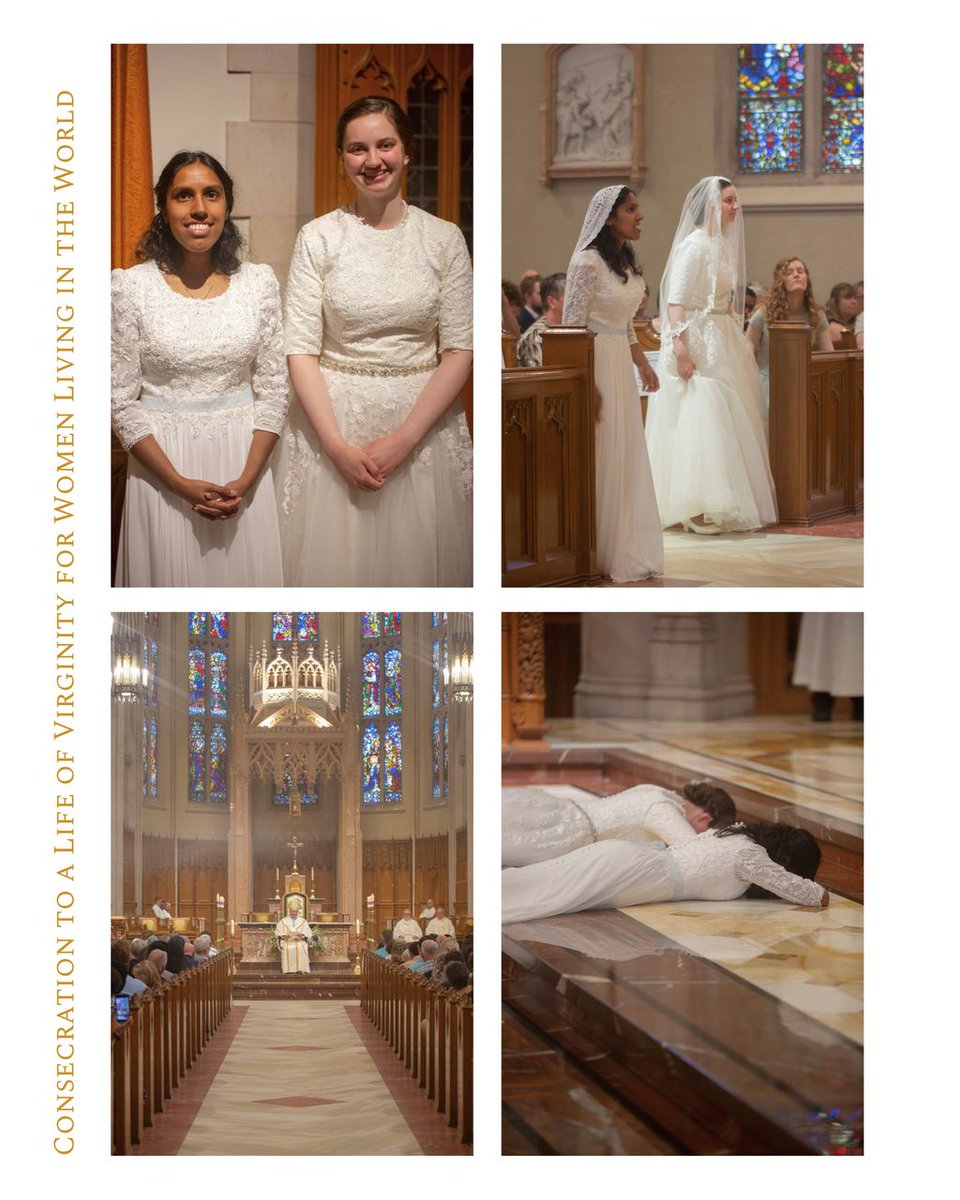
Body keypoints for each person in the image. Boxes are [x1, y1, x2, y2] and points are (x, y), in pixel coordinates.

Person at [277, 96, 473, 586]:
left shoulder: (444, 239)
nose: (372, 160)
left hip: (422, 424)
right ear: (341, 159)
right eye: (357, 149)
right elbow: (300, 349)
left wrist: (406, 439)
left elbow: (459, 349)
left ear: (407, 151)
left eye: (385, 145)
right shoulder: (318, 238)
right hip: (333, 422)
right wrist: (336, 446)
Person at [112, 150, 288, 586]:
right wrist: (178, 482)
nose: (198, 209)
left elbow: (274, 390)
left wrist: (245, 480)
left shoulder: (259, 283)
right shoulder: (130, 287)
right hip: (162, 471)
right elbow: (119, 400)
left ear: (227, 206)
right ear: (163, 207)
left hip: (243, 464)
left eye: (211, 194)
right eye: (183, 196)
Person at [646, 176, 776, 534]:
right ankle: (695, 504)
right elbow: (676, 302)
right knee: (701, 413)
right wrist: (680, 347)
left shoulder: (721, 246)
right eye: (729, 200)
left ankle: (723, 500)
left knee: (729, 414)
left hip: (721, 334)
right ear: (711, 206)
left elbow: (722, 297)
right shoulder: (693, 246)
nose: (736, 207)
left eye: (736, 200)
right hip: (696, 337)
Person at [562, 186, 663, 581]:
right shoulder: (587, 262)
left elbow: (625, 324)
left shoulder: (625, 261)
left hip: (620, 360)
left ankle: (624, 541)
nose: (640, 216)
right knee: (603, 454)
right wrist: (587, 381)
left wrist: (642, 363)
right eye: (631, 209)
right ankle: (598, 547)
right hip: (595, 361)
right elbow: (571, 326)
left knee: (625, 452)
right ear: (608, 218)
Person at [502, 823, 827, 924]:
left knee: (539, 884)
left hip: (631, 861)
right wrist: (823, 891)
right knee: (544, 897)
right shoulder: (750, 856)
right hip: (637, 874)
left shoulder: (734, 834)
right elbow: (806, 893)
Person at [502, 780, 737, 867]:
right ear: (705, 818)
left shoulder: (657, 792)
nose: (701, 834)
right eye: (706, 831)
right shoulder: (664, 810)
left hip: (566, 812)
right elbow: (695, 852)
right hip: (570, 833)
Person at [746, 256, 832, 423]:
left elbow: (829, 356)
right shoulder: (764, 313)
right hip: (768, 384)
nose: (796, 275)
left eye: (801, 271)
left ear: (807, 279)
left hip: (804, 385)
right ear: (781, 281)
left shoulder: (817, 315)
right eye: (789, 272)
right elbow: (746, 351)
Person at [515, 272, 566, 367]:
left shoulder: (569, 331)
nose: (575, 302)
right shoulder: (533, 337)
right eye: (570, 297)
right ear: (551, 302)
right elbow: (542, 375)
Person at [275, 901, 312, 975]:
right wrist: (284, 936)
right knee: (288, 948)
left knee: (300, 947)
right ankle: (288, 969)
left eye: (296, 911)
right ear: (289, 911)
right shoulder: (283, 921)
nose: (294, 913)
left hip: (299, 941)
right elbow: (278, 933)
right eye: (292, 911)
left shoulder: (303, 921)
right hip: (287, 941)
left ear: (298, 911)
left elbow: (308, 933)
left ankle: (301, 969)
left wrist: (302, 935)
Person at [825, 282, 859, 346]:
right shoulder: (833, 327)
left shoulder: (859, 324)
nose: (854, 302)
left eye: (855, 298)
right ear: (835, 303)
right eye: (847, 298)